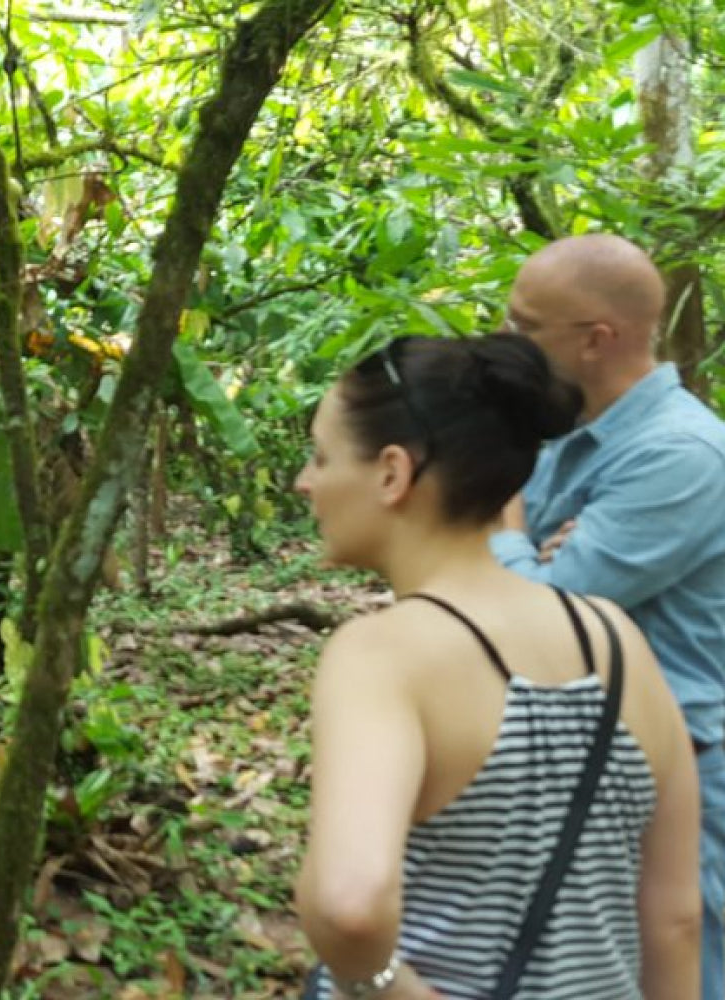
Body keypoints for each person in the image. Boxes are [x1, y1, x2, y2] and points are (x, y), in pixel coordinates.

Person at [294, 334, 701, 998]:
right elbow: (677, 919)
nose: (305, 481)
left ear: (393, 473)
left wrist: (378, 983)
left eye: (321, 456)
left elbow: (350, 904)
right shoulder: (617, 641)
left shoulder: (382, 656)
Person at [491, 234, 725, 999]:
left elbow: (540, 613)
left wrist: (506, 530)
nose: (505, 338)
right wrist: (533, 558)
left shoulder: (679, 454)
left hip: (657, 775)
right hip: (561, 761)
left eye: (522, 324)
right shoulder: (561, 432)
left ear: (596, 340)